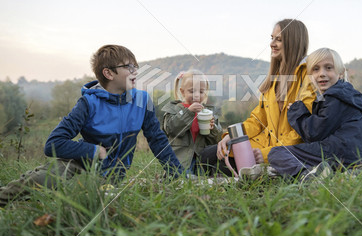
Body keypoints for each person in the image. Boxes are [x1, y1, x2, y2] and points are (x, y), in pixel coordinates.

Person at [0, 44, 183, 207]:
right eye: (129, 67)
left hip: (110, 178)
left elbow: (157, 140)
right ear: (108, 73)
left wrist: (178, 176)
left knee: (69, 199)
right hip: (80, 165)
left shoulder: (143, 100)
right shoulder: (88, 104)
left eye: (136, 66)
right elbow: (53, 144)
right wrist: (94, 151)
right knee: (45, 179)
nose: (135, 71)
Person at [200, 19, 315, 176]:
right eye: (272, 38)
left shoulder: (308, 77)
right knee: (207, 155)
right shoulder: (274, 79)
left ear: (293, 42)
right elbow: (257, 120)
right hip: (261, 144)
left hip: (282, 152)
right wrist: (231, 137)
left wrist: (267, 154)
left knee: (221, 168)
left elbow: (301, 132)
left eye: (279, 39)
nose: (272, 44)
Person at [268, 48, 362, 178]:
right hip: (357, 153)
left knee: (277, 153)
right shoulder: (346, 94)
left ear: (340, 73)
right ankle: (320, 170)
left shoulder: (336, 98)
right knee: (296, 153)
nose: (322, 74)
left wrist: (297, 112)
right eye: (315, 69)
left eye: (328, 68)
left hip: (340, 153)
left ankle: (305, 175)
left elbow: (313, 133)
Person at [161, 70, 222, 174]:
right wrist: (188, 112)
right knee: (183, 179)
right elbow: (171, 129)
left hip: (201, 159)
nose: (197, 96)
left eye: (201, 92)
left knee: (201, 180)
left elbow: (216, 140)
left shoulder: (208, 112)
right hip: (180, 158)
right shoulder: (174, 110)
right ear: (182, 91)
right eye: (192, 91)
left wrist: (213, 128)